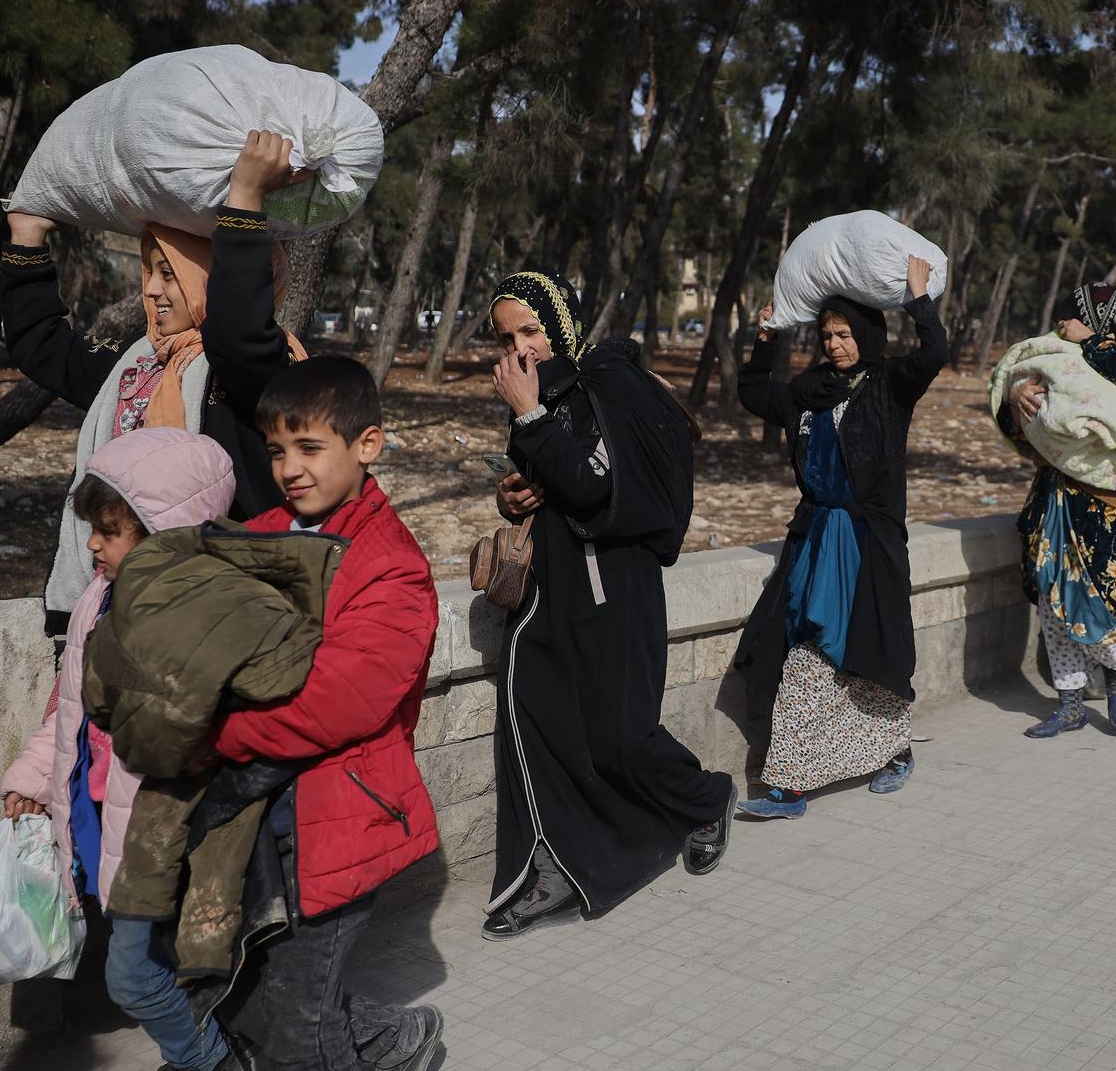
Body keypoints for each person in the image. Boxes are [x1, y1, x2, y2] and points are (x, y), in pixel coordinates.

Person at [482, 271, 736, 934]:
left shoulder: (606, 388)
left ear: (559, 327)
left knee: (622, 737)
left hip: (616, 590)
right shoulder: (540, 395)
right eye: (506, 338)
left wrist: (529, 417)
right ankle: (550, 867)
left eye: (530, 331)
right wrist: (513, 496)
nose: (519, 348)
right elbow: (545, 483)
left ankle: (707, 798)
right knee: (539, 726)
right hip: (549, 594)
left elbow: (592, 486)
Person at [209, 356, 444, 1070]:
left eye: (309, 448)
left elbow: (335, 702)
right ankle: (392, 1039)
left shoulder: (391, 566)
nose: (289, 469)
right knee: (249, 989)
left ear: (367, 445)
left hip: (335, 820)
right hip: (252, 817)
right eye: (277, 450)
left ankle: (373, 1043)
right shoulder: (257, 535)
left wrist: (214, 729)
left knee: (301, 1031)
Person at [0, 428, 241, 1071]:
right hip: (106, 821)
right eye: (93, 530)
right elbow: (69, 710)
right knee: (163, 965)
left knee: (134, 979)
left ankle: (207, 1060)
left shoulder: (200, 618)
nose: (93, 545)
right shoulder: (96, 602)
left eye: (109, 531)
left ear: (165, 533)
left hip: (163, 833)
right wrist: (34, 777)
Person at [1, 131, 309, 634]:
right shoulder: (139, 365)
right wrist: (27, 233)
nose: (150, 289)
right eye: (149, 271)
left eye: (169, 274)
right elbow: (43, 347)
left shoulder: (259, 370)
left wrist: (245, 195)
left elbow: (237, 332)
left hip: (214, 616)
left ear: (208, 275)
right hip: (117, 607)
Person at [731, 257, 949, 813]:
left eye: (845, 334)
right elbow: (753, 393)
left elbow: (934, 354)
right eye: (827, 335)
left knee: (871, 652)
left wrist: (918, 297)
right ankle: (789, 785)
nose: (835, 344)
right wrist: (765, 338)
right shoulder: (808, 390)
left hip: (869, 543)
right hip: (815, 542)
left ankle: (894, 751)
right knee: (808, 654)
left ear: (867, 335)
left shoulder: (889, 385)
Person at [998, 283, 1116, 737]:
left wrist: (1089, 340)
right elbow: (1020, 415)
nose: (1068, 325)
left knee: (1105, 599)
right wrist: (1015, 397)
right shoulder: (1054, 355)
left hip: (1114, 503)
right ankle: (1070, 704)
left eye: (1082, 318)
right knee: (1054, 602)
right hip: (1056, 496)